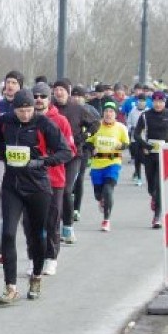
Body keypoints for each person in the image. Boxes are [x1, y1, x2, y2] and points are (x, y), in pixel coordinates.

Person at [0, 89, 71, 305]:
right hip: (13, 185)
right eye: (21, 111)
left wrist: (43, 162)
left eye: (28, 110)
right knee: (8, 234)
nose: (25, 115)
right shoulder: (5, 121)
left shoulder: (44, 124)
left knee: (37, 236)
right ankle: (10, 287)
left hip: (38, 186)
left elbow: (66, 152)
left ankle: (36, 276)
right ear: (14, 109)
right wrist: (0, 154)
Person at [32, 82, 75, 277]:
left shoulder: (61, 121)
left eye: (43, 96)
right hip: (30, 179)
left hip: (54, 178)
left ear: (49, 100)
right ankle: (35, 258)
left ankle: (51, 257)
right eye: (36, 96)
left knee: (52, 220)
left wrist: (48, 159)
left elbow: (70, 151)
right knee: (33, 222)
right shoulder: (25, 119)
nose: (39, 100)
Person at [53, 80, 100, 244]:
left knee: (66, 190)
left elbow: (95, 124)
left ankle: (68, 226)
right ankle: (55, 227)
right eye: (56, 90)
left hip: (74, 155)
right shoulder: (51, 108)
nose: (59, 93)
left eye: (62, 90)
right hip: (55, 155)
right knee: (54, 191)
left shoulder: (78, 108)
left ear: (68, 91)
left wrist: (82, 138)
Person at [0, 70, 24, 264]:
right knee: (3, 205)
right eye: (8, 82)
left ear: (20, 86)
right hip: (3, 158)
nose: (10, 86)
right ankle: (0, 250)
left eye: (14, 83)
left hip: (23, 159)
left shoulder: (26, 105)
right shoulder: (0, 105)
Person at [85, 101, 130, 231]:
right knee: (98, 194)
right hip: (97, 163)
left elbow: (126, 144)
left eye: (111, 112)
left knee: (108, 189)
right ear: (102, 113)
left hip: (113, 162)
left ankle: (106, 220)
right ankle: (101, 200)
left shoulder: (121, 128)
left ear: (115, 114)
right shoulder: (96, 126)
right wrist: (92, 147)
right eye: (106, 111)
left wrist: (120, 146)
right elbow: (87, 142)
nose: (108, 114)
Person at [133, 91, 168, 228]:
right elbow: (136, 134)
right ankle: (153, 197)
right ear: (152, 102)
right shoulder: (145, 115)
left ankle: (157, 216)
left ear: (164, 102)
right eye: (156, 102)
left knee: (159, 185)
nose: (158, 104)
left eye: (161, 102)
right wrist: (145, 145)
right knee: (151, 185)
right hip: (149, 154)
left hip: (164, 154)